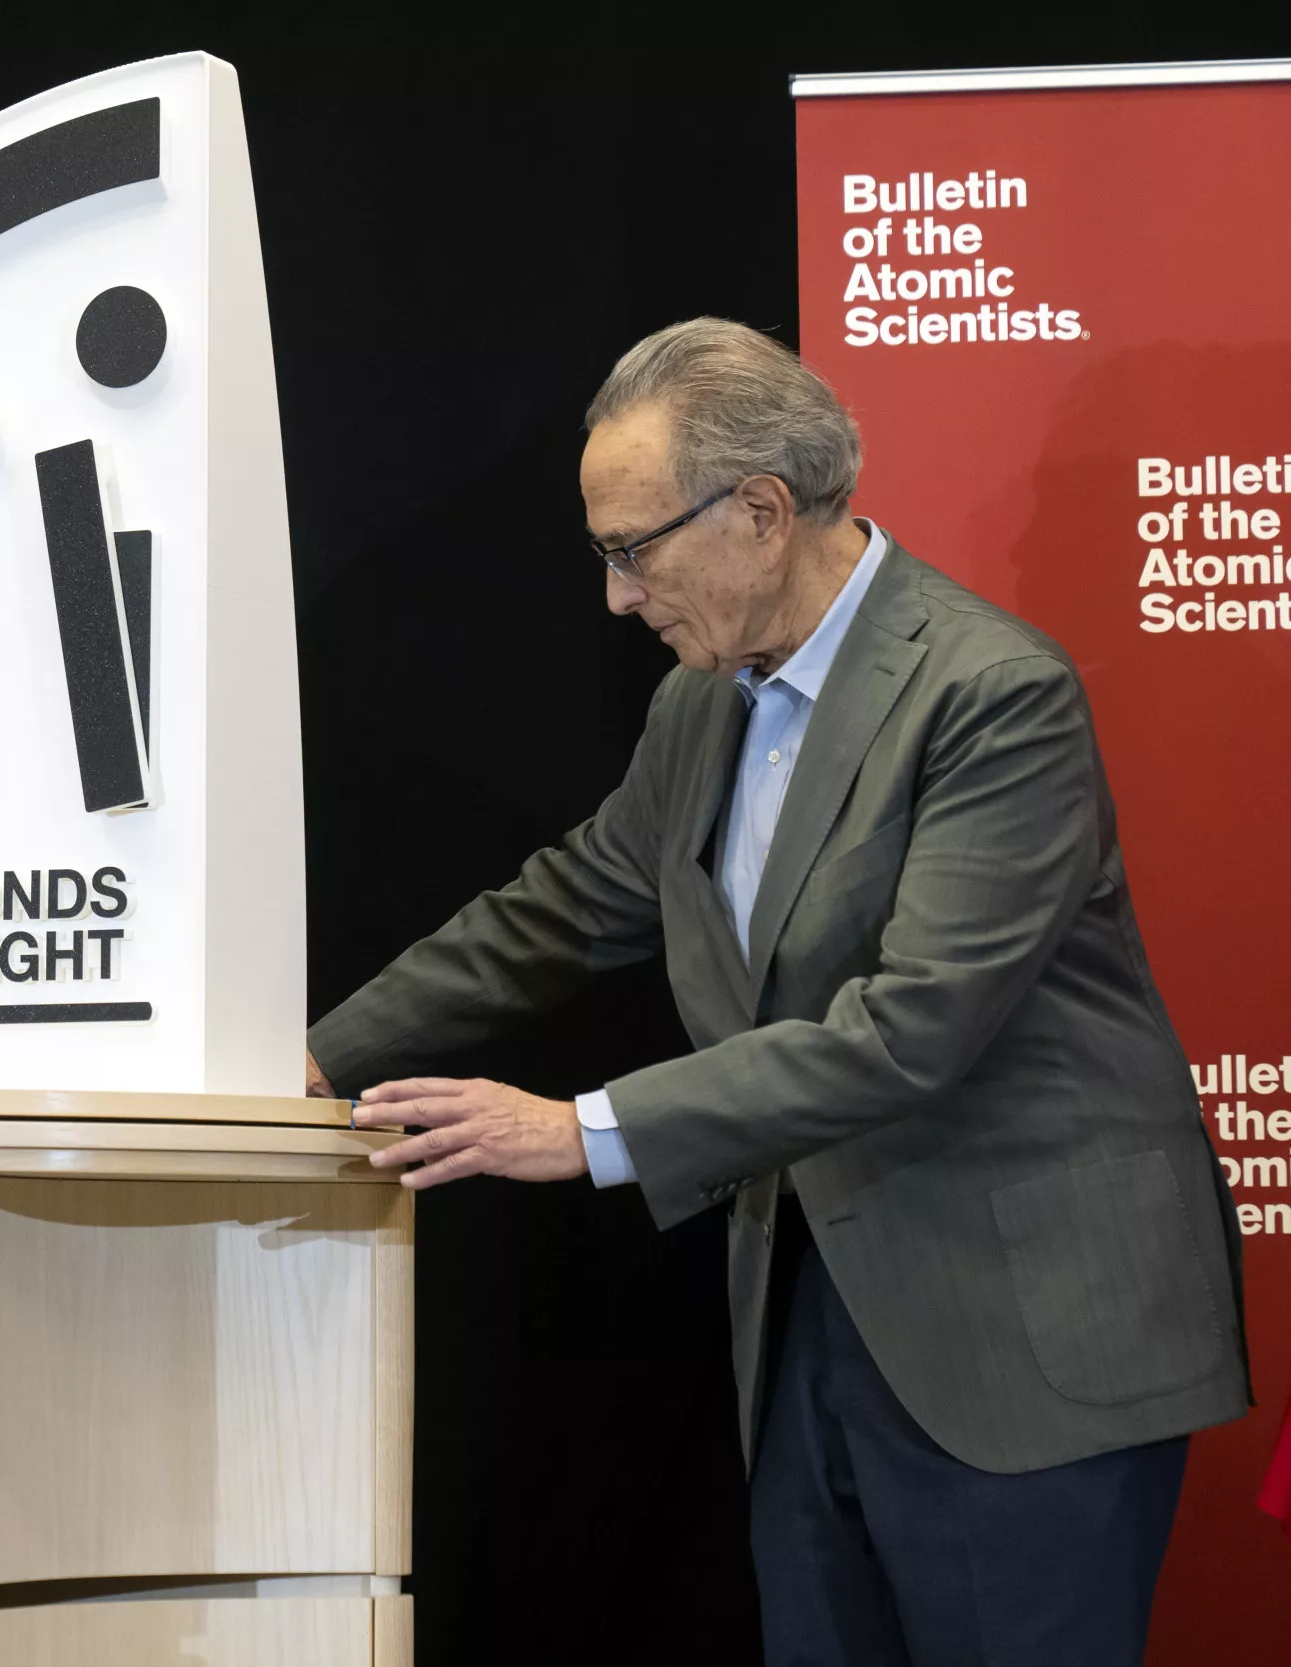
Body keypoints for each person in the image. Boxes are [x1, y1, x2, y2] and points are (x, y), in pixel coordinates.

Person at [307, 318, 1248, 1665]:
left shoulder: (993, 694)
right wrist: (315, 1058)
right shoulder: (701, 703)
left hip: (1025, 1337)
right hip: (815, 1316)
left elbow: (908, 1028)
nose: (618, 598)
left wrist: (580, 1130)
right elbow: (563, 906)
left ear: (760, 511)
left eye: (634, 550)